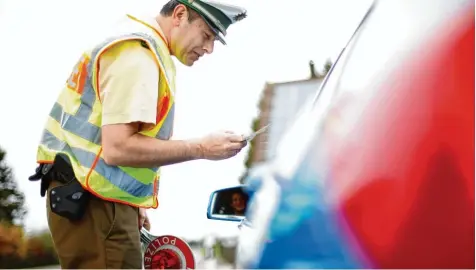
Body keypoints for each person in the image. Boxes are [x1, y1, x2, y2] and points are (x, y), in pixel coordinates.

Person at [28, 0, 248, 268]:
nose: (209, 48)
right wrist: (201, 148)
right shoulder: (139, 55)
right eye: (207, 35)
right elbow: (118, 148)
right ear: (179, 14)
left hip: (93, 201)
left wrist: (131, 202)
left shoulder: (136, 44)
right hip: (93, 205)